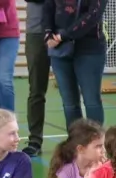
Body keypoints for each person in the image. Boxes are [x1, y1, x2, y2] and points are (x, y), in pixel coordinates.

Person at [42, 0, 108, 128]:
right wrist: (48, 33)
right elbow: (48, 7)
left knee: (91, 100)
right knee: (69, 103)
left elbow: (93, 14)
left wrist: (64, 35)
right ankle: (75, 138)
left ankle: (96, 139)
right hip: (60, 49)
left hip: (89, 48)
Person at [23, 0, 51, 157]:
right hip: (36, 32)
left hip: (63, 30)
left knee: (70, 92)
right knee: (36, 90)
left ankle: (77, 141)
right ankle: (35, 140)